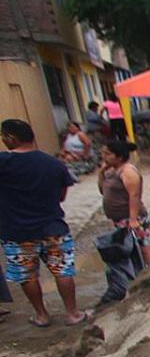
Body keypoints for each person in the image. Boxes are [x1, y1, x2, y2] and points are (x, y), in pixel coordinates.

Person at [0, 119, 89, 327]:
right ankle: (72, 313)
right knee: (63, 271)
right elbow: (62, 196)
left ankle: (41, 315)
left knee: (27, 275)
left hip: (16, 232)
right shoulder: (54, 164)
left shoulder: (2, 163)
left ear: (11, 138)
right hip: (53, 228)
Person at [98, 139, 150, 264]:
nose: (104, 157)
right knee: (129, 250)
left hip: (132, 218)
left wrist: (133, 219)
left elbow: (134, 196)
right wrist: (101, 172)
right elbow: (102, 190)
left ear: (119, 157)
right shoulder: (111, 171)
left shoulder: (128, 172)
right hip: (120, 219)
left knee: (143, 249)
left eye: (108, 154)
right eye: (103, 153)